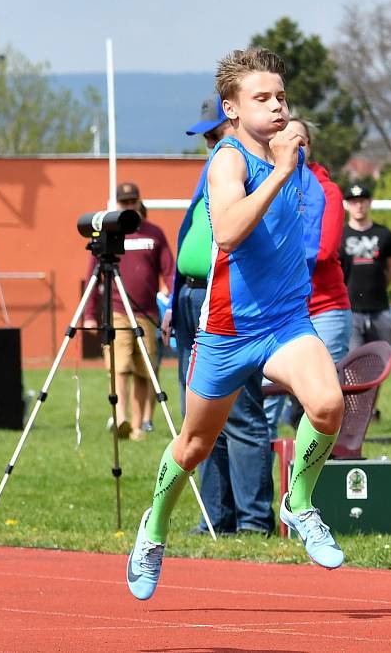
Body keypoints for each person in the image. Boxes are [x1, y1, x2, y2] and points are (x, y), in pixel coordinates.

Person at [127, 47, 346, 601]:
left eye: (281, 97)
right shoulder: (228, 160)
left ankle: (297, 503)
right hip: (226, 330)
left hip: (286, 320)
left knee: (327, 404)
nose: (276, 107)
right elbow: (226, 232)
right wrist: (277, 173)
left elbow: (295, 135)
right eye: (262, 98)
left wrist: (288, 148)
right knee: (195, 445)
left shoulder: (288, 143)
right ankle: (153, 529)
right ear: (231, 106)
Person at [161, 92, 274, 535]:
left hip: (227, 301)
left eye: (214, 136)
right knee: (200, 414)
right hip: (190, 298)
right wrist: (172, 301)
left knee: (241, 413)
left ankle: (253, 520)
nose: (210, 145)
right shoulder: (217, 166)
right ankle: (216, 517)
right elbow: (190, 231)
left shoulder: (253, 170)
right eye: (205, 139)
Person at [264, 118, 353, 435]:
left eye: (300, 140)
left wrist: (271, 253)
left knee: (322, 406)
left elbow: (325, 248)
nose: (294, 146)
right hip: (280, 311)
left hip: (324, 308)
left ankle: (320, 479)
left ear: (309, 147)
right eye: (286, 139)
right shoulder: (267, 184)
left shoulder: (326, 190)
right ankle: (265, 480)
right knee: (265, 405)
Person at [83, 182, 174, 442]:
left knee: (143, 370)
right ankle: (120, 417)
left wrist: (172, 295)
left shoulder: (154, 233)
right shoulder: (108, 235)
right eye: (124, 202)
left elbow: (168, 268)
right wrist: (89, 314)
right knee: (119, 366)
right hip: (117, 311)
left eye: (132, 201)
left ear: (138, 202)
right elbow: (93, 276)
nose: (128, 206)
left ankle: (138, 425)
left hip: (146, 313)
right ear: (116, 205)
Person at [339, 184, 391, 348]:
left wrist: (379, 286)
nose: (358, 206)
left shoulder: (385, 234)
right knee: (352, 365)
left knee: (381, 364)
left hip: (380, 309)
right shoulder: (339, 235)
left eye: (362, 201)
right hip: (350, 311)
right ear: (346, 205)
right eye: (353, 202)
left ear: (370, 202)